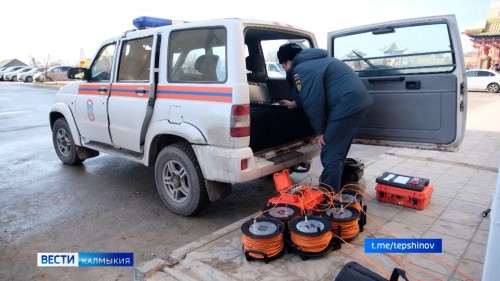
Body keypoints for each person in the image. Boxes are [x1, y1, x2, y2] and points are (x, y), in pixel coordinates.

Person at [277, 43, 373, 193]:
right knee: (338, 149)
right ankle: (334, 185)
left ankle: (327, 196)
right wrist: (293, 103)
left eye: (283, 67)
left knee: (330, 150)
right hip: (357, 102)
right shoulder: (315, 61)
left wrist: (320, 130)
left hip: (346, 104)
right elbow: (308, 93)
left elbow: (313, 101)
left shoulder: (301, 69)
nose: (285, 70)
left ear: (288, 62)